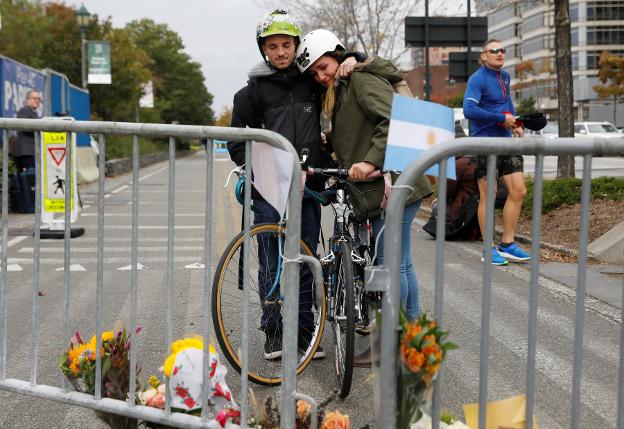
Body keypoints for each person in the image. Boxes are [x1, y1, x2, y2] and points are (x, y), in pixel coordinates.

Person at [295, 29, 433, 367]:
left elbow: (394, 120)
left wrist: (371, 159)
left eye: (323, 66)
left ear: (338, 55)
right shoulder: (340, 91)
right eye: (314, 72)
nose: (321, 75)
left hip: (394, 185)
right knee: (399, 264)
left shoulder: (357, 79)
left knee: (391, 265)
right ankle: (411, 339)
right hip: (388, 188)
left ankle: (393, 345)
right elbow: (364, 128)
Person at [227, 10, 358, 361]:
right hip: (269, 189)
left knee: (305, 257)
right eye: (273, 46)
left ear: (296, 46)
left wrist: (354, 59)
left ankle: (303, 333)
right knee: (271, 261)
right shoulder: (251, 93)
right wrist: (255, 173)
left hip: (307, 183)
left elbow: (336, 69)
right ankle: (273, 332)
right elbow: (236, 142)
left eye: (287, 45)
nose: (281, 52)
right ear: (263, 49)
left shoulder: (309, 82)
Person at [463, 39, 530, 266]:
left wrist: (516, 122)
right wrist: (502, 118)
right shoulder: (477, 79)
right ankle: (488, 248)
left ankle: (508, 244)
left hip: (506, 142)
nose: (500, 53)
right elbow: (469, 109)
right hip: (485, 143)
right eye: (494, 51)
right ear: (484, 56)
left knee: (519, 191)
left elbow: (507, 103)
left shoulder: (505, 77)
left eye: (503, 50)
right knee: (488, 195)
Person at [14, 90, 41, 172]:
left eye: (39, 99)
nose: (37, 101)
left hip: (31, 151)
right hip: (26, 151)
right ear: (27, 99)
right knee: (29, 178)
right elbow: (25, 126)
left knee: (31, 178)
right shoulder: (24, 110)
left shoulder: (34, 113)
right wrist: (40, 130)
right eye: (35, 98)